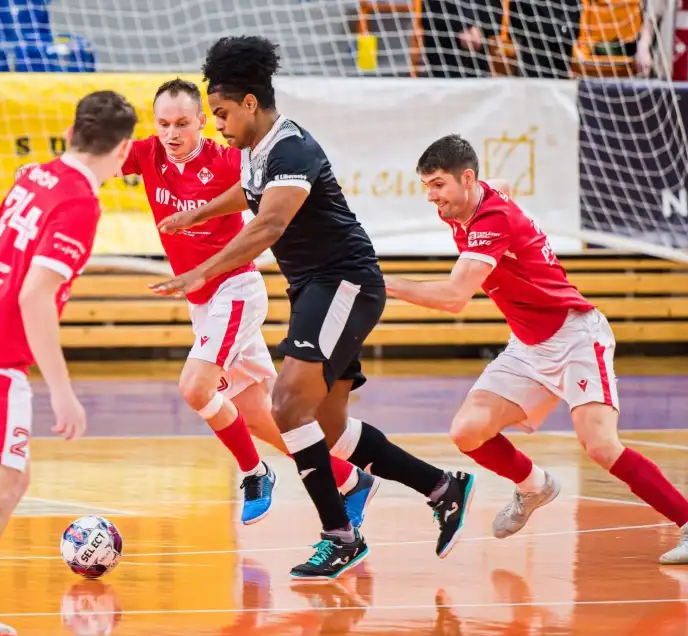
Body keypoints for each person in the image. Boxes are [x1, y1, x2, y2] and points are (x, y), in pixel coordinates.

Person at [150, 36, 476, 580]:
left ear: (250, 103)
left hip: (342, 281)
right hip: (315, 288)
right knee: (329, 428)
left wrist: (203, 270)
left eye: (223, 113)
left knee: (286, 405)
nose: (220, 125)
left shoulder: (291, 147)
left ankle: (339, 535)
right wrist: (196, 215)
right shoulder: (257, 152)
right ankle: (443, 487)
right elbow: (250, 192)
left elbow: (270, 222)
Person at [386, 133, 688, 565]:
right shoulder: (472, 200)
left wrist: (381, 282)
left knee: (599, 445)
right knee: (467, 431)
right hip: (527, 344)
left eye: (437, 184)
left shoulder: (491, 221)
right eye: (426, 186)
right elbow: (502, 184)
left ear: (466, 179)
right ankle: (534, 486)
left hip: (575, 336)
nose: (431, 197)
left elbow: (454, 297)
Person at [0, 91, 138, 636]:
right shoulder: (80, 204)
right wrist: (63, 392)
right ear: (123, 150)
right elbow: (35, 296)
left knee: (13, 482)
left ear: (70, 134)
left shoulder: (34, 174)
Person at [115, 78, 380, 527]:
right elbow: (94, 162)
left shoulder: (229, 160)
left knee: (195, 388)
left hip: (234, 289)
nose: (173, 133)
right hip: (202, 301)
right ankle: (351, 481)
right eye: (164, 124)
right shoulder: (148, 155)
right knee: (262, 419)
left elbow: (270, 200)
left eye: (183, 122)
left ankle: (254, 472)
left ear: (202, 121)